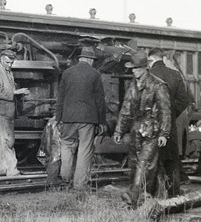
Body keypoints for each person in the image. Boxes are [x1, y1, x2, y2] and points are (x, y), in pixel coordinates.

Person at [113, 51, 171, 208]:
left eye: (137, 68)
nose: (133, 71)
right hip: (136, 129)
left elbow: (165, 110)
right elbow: (126, 108)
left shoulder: (158, 85)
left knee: (144, 164)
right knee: (135, 164)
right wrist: (119, 130)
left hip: (151, 131)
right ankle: (154, 194)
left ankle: (136, 200)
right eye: (132, 68)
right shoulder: (133, 85)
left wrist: (164, 133)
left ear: (145, 68)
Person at [56, 47, 107, 191]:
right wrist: (102, 122)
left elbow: (60, 98)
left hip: (68, 117)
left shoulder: (67, 73)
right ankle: (79, 184)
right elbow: (100, 101)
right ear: (90, 60)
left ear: (80, 58)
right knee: (85, 149)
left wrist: (58, 118)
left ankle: (65, 179)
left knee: (66, 145)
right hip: (87, 119)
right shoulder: (95, 74)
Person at [147, 48, 189, 196]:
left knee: (150, 159)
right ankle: (173, 192)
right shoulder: (175, 74)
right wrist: (170, 115)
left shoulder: (148, 76)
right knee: (172, 158)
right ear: (162, 59)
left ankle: (152, 193)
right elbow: (184, 100)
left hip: (150, 125)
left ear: (150, 60)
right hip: (169, 125)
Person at [0, 48, 30, 176]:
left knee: (3, 138)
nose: (10, 65)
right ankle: (12, 170)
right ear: (1, 59)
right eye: (8, 62)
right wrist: (16, 92)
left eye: (12, 63)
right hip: (1, 110)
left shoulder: (7, 70)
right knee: (8, 140)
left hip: (7, 110)